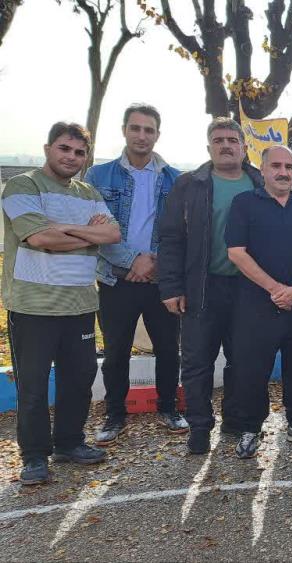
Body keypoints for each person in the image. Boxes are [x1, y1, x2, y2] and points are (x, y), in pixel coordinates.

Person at [2, 122, 120, 484]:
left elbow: (112, 234)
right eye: (64, 149)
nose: (71, 157)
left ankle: (69, 442)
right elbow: (37, 238)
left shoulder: (88, 193)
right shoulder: (23, 185)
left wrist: (62, 232)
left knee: (79, 379)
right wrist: (88, 234)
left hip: (81, 305)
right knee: (34, 387)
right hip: (33, 307)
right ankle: (35, 457)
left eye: (79, 152)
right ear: (47, 148)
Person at [159, 117, 264, 454]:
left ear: (244, 147)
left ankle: (234, 422)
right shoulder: (190, 185)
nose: (226, 145)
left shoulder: (258, 183)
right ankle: (200, 428)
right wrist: (172, 286)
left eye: (232, 140)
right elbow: (171, 238)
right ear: (208, 147)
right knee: (197, 362)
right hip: (201, 287)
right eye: (218, 140)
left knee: (242, 359)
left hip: (249, 289)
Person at [85, 103, 186, 446]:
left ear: (158, 134)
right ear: (124, 130)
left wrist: (155, 262)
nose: (142, 135)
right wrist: (132, 262)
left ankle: (169, 408)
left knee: (169, 348)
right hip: (117, 278)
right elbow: (95, 230)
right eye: (135, 128)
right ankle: (115, 414)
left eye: (149, 129)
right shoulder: (99, 177)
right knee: (116, 350)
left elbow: (180, 232)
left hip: (162, 280)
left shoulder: (176, 179)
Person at [225, 146, 292, 458]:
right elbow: (236, 252)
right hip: (256, 304)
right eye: (276, 166)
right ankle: (251, 429)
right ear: (263, 169)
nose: (283, 172)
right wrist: (275, 289)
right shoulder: (244, 203)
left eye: (289, 166)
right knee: (252, 368)